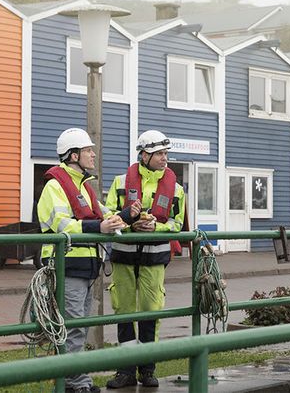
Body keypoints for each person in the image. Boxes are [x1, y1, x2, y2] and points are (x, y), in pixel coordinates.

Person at [36, 128, 127, 393]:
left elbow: (103, 214)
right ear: (73, 155)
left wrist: (127, 216)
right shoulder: (55, 186)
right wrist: (100, 228)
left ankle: (76, 381)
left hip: (86, 266)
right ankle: (73, 383)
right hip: (67, 266)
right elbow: (63, 224)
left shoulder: (83, 187)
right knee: (73, 327)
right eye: (88, 150)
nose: (93, 154)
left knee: (79, 327)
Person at [105, 130, 186, 389]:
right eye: (160, 154)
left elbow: (177, 224)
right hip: (124, 258)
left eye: (166, 153)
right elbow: (108, 217)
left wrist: (156, 228)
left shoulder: (177, 189)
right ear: (144, 155)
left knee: (151, 312)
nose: (165, 159)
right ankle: (125, 370)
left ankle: (148, 369)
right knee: (124, 312)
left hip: (155, 258)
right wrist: (129, 222)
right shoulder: (119, 183)